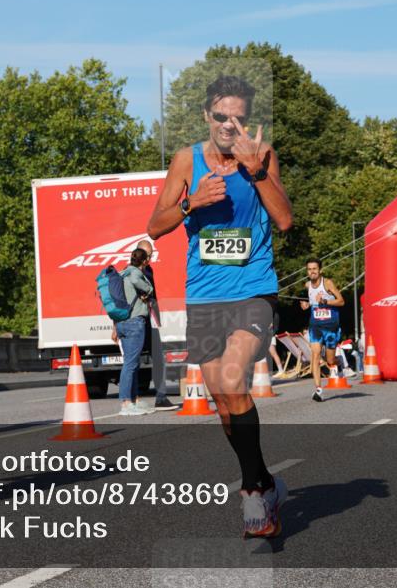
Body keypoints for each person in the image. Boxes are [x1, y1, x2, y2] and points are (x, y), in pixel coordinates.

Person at [148, 74, 293, 538]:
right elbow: (155, 226)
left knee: (234, 378)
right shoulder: (185, 160)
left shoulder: (262, 156)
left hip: (254, 288)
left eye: (240, 119)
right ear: (207, 116)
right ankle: (268, 480)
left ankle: (252, 492)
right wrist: (192, 203)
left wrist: (256, 172)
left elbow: (285, 220)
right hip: (205, 295)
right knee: (225, 406)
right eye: (222, 117)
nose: (231, 126)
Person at [136, 239, 179, 411]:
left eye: (151, 255)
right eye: (148, 255)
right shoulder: (130, 272)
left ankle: (161, 398)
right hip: (137, 321)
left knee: (159, 358)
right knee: (134, 361)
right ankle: (134, 399)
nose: (150, 259)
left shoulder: (149, 270)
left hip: (151, 320)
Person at [299, 258, 346, 402]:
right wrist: (306, 306)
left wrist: (325, 301)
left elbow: (342, 301)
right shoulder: (307, 285)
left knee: (330, 359)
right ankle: (318, 390)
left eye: (315, 269)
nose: (312, 272)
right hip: (315, 326)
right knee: (315, 354)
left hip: (331, 326)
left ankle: (339, 364)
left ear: (320, 270)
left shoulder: (327, 283)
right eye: (309, 269)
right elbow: (309, 302)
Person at [114, 248, 154, 415]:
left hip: (121, 323)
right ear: (144, 261)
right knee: (130, 364)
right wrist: (147, 291)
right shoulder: (136, 274)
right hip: (134, 322)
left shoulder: (122, 273)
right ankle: (126, 403)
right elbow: (149, 289)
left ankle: (134, 399)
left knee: (132, 363)